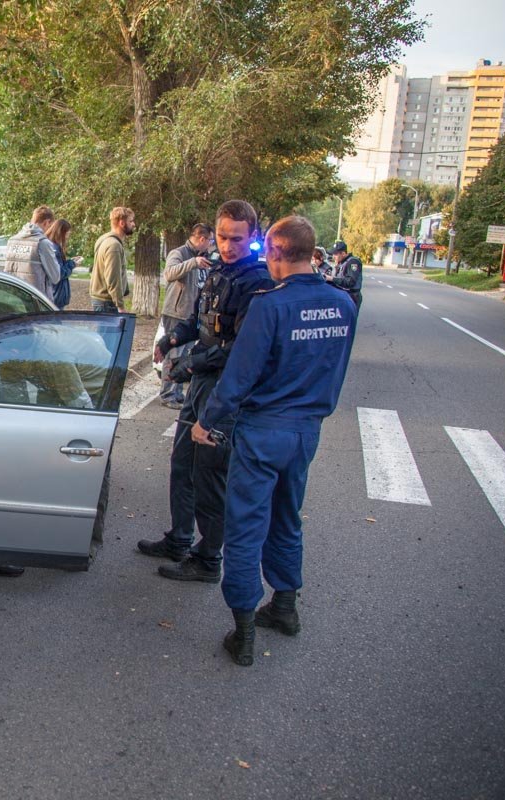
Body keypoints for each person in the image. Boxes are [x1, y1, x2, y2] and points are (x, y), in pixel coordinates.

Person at [190, 216, 357, 666]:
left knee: (245, 526)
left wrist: (207, 422)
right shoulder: (343, 303)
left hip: (263, 429)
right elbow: (335, 371)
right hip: (306, 431)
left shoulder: (270, 305)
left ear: (278, 253)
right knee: (287, 517)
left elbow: (240, 375)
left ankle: (243, 631)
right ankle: (284, 607)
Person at [138, 200, 275, 582]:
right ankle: (180, 538)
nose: (229, 245)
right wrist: (172, 340)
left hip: (225, 391)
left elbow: (242, 348)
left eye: (237, 238)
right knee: (182, 463)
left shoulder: (257, 282)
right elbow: (198, 321)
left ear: (253, 237)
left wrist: (191, 364)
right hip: (200, 382)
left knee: (210, 474)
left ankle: (209, 558)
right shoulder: (215, 269)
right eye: (222, 236)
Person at [159, 223, 214, 409]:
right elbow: (169, 273)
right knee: (173, 354)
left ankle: (177, 391)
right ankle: (168, 394)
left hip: (192, 316)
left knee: (184, 355)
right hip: (176, 312)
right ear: (202, 239)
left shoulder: (203, 258)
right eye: (210, 241)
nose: (211, 245)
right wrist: (192, 263)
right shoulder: (180, 253)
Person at [3, 206, 61, 302]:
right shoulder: (43, 243)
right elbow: (56, 277)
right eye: (50, 226)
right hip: (36, 301)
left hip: (13, 297)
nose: (49, 230)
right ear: (46, 222)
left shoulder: (12, 240)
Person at [90, 207, 132, 312]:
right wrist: (120, 306)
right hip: (107, 303)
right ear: (122, 223)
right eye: (130, 221)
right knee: (108, 329)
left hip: (104, 301)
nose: (133, 224)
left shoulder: (105, 240)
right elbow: (113, 278)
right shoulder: (113, 245)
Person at [46, 218, 75, 310]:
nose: (68, 236)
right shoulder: (55, 248)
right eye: (67, 233)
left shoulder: (51, 246)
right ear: (61, 232)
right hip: (56, 295)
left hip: (55, 294)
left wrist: (69, 262)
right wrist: (72, 264)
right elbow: (59, 273)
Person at [328, 240, 363, 308]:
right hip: (343, 295)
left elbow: (350, 282)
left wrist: (332, 279)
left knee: (348, 318)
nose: (333, 256)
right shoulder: (341, 262)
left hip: (351, 296)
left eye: (335, 254)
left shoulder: (352, 262)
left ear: (343, 253)